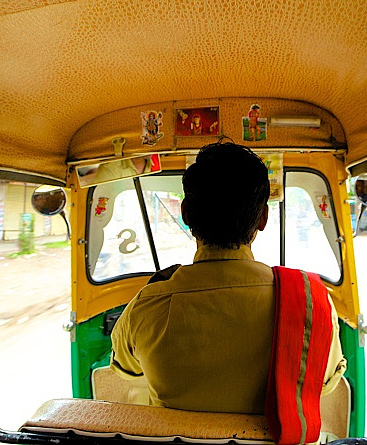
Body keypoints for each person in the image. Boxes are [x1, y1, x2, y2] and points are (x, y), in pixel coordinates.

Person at [110, 142, 346, 415]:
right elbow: (325, 383)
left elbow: (127, 369)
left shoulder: (147, 305)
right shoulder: (310, 302)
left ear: (186, 213)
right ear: (263, 218)